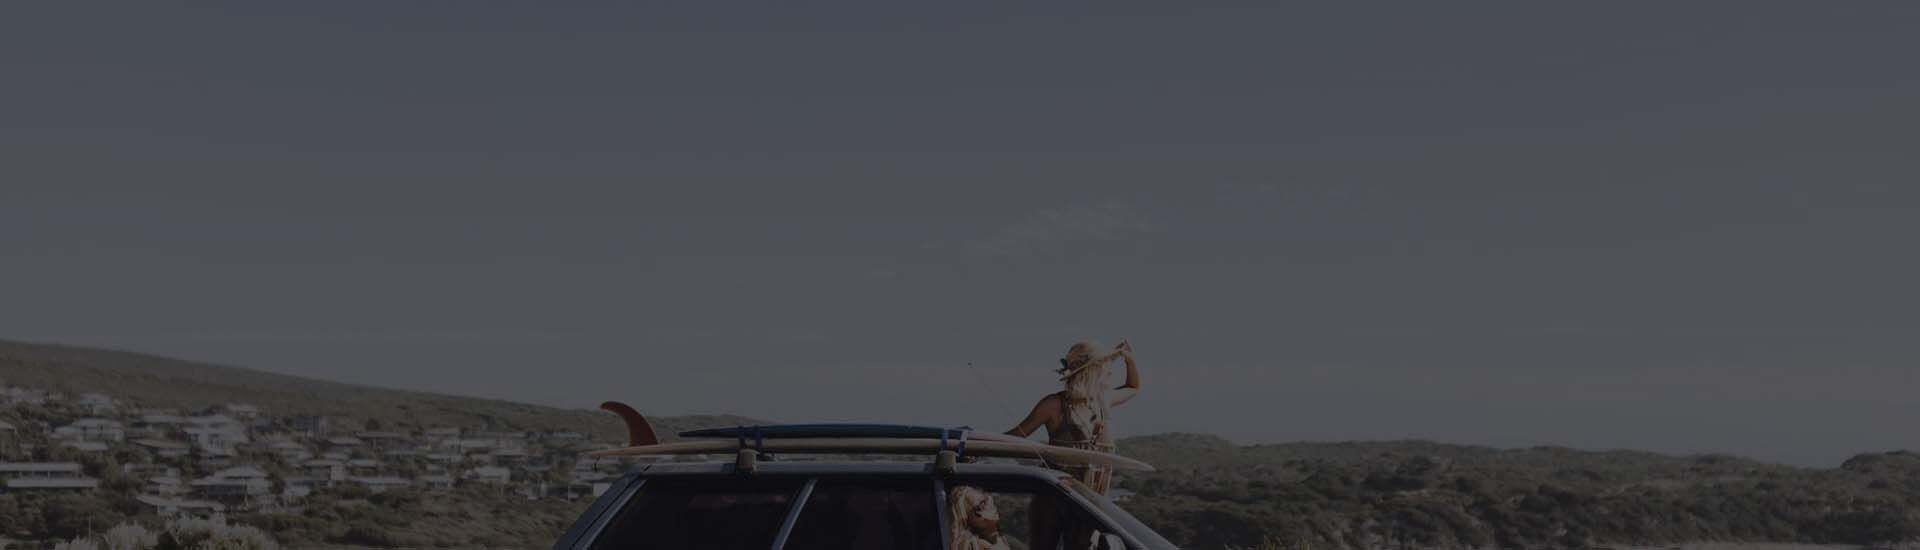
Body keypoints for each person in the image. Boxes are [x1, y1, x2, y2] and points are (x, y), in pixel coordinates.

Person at [1004, 339, 1142, 494]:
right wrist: (981, 445)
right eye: (1104, 365)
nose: (1109, 371)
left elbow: (1133, 387)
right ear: (1090, 371)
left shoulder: (1103, 400)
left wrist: (1129, 360)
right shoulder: (1054, 405)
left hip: (1093, 502)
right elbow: (1016, 436)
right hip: (1057, 501)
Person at [947, 485, 1010, 550]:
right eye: (979, 508)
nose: (989, 503)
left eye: (985, 499)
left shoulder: (1000, 537)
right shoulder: (976, 545)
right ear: (969, 523)